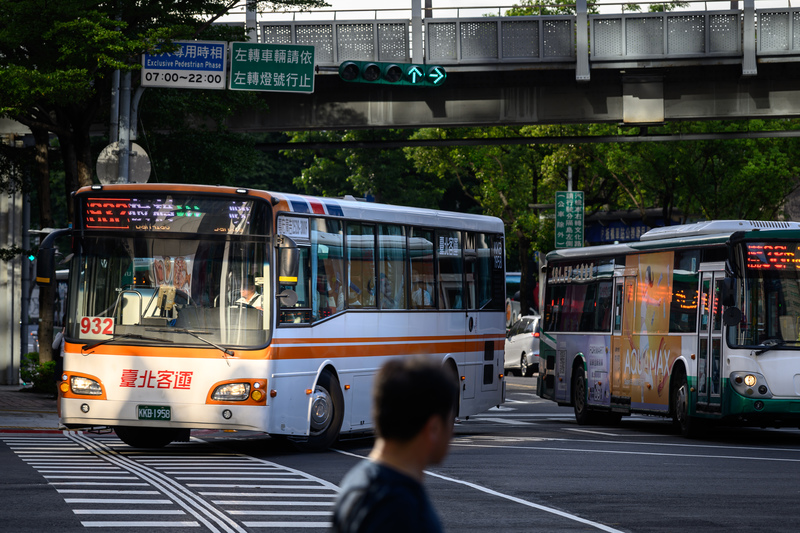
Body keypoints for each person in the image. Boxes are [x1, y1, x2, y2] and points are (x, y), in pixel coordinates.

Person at [332, 357, 458, 533]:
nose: (451, 432)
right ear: (434, 428)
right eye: (451, 420)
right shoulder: (399, 508)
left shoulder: (358, 481)